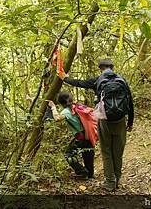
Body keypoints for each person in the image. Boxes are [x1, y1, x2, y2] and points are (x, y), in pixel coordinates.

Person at [60, 58, 134, 191]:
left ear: (101, 68)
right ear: (112, 67)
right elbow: (130, 101)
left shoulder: (98, 80)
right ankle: (117, 178)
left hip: (104, 120)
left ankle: (110, 182)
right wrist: (130, 122)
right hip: (120, 121)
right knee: (117, 152)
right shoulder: (122, 80)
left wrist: (66, 79)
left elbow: (80, 83)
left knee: (106, 151)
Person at [48, 91, 94, 179]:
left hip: (80, 137)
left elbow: (57, 118)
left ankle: (83, 172)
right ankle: (90, 175)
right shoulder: (77, 106)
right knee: (88, 155)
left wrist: (53, 107)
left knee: (68, 154)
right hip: (88, 134)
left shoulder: (66, 111)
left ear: (61, 102)